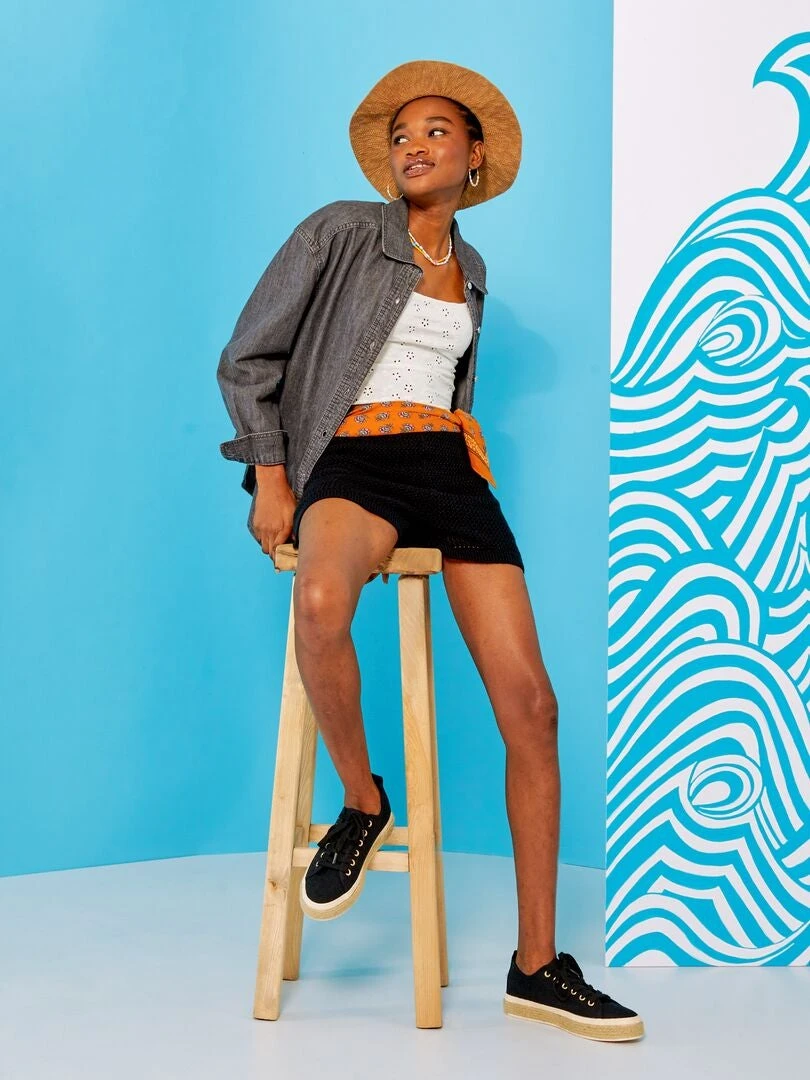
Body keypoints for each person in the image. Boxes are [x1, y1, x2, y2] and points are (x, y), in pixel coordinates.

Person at [216, 60, 643, 1042]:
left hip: (448, 474)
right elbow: (248, 356)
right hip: (353, 462)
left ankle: (537, 966)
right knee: (321, 603)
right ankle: (362, 801)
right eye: (402, 134)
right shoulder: (339, 231)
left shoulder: (474, 267)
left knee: (534, 708)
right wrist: (271, 475)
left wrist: (460, 441)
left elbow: (443, 381)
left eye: (436, 131)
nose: (414, 145)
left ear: (475, 156)